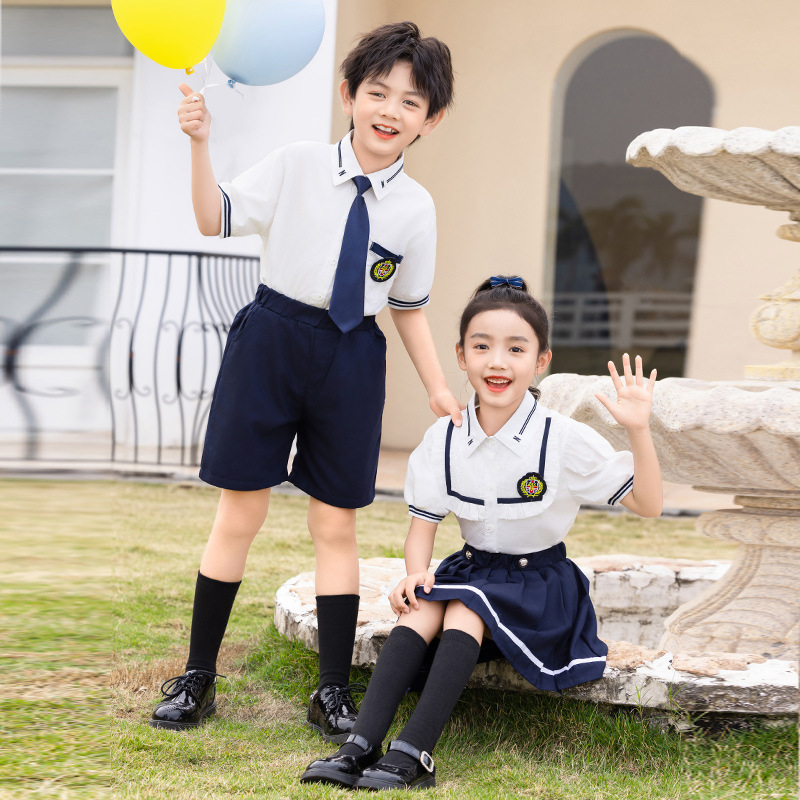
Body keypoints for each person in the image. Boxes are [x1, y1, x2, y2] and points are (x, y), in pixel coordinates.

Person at [149, 22, 462, 740]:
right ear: (349, 94)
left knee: (335, 524)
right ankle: (199, 675)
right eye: (377, 92)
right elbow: (211, 217)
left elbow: (408, 308)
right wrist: (200, 142)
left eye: (410, 102)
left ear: (431, 119)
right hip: (271, 340)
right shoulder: (294, 163)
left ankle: (330, 693)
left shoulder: (417, 210)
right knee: (241, 513)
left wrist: (440, 389)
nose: (390, 110)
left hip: (352, 357)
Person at [301, 275, 662, 790]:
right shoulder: (443, 438)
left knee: (467, 603)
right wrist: (416, 573)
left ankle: (414, 752)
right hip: (473, 570)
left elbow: (648, 505)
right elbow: (423, 526)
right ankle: (360, 743)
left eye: (516, 348)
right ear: (462, 356)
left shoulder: (562, 438)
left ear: (540, 361)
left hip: (539, 587)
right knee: (427, 600)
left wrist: (638, 429)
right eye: (482, 346)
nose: (498, 361)